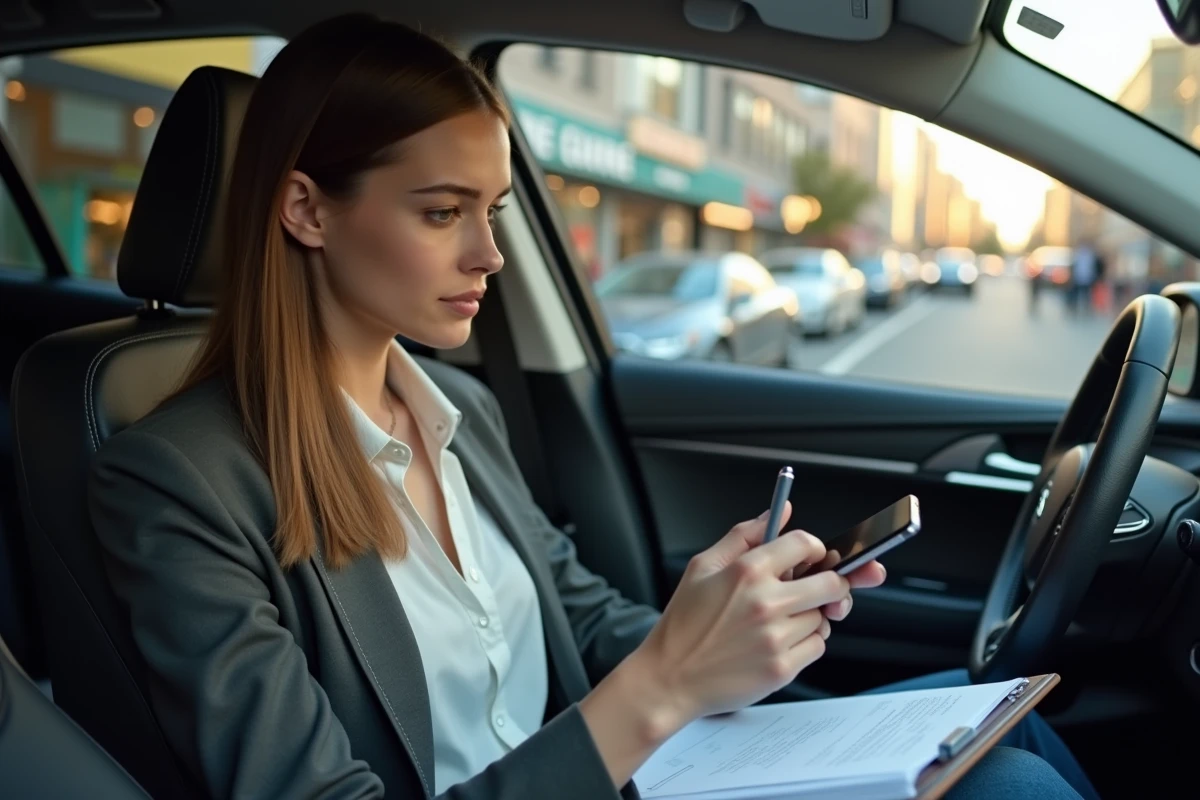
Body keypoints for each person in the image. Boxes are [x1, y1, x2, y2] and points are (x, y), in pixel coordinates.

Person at [87, 14, 1096, 800]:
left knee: (1011, 733)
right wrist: (662, 682)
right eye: (442, 213)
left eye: (492, 212)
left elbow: (583, 618)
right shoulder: (179, 481)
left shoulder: (460, 411)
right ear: (306, 209)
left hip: (633, 771)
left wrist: (722, 619)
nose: (486, 254)